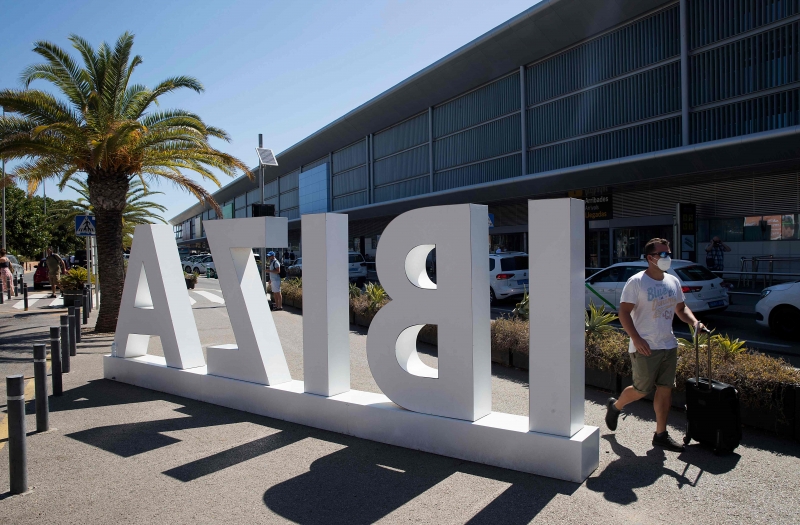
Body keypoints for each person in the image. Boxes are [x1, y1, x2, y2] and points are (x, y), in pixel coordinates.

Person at [605, 238, 704, 452]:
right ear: (650, 258)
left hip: (668, 344)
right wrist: (636, 339)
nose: (668, 257)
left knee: (665, 390)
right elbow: (623, 312)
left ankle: (661, 434)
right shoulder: (637, 281)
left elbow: (681, 308)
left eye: (669, 253)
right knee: (642, 390)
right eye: (664, 254)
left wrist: (695, 322)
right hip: (645, 346)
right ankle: (616, 406)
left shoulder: (672, 281)